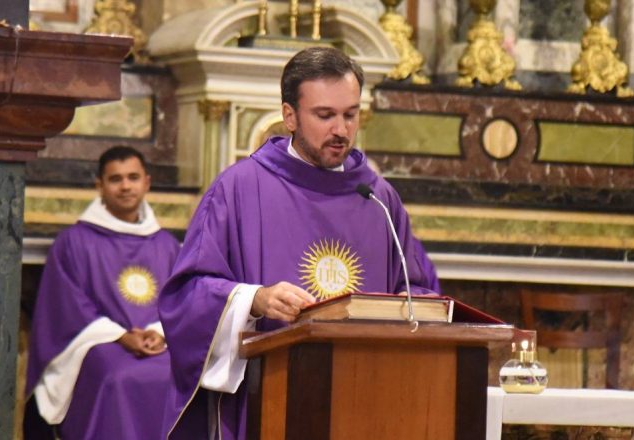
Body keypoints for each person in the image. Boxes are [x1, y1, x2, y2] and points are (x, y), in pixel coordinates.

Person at [159, 47, 440, 440]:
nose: (340, 130)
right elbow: (186, 296)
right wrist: (253, 300)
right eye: (325, 115)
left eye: (350, 114)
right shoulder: (240, 188)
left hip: (366, 396)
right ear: (289, 116)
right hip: (268, 398)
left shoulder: (377, 197)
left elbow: (419, 292)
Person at [25, 146, 180, 439]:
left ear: (146, 182)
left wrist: (159, 331)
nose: (125, 186)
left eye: (133, 178)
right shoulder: (73, 242)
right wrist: (121, 336)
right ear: (99, 185)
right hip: (96, 343)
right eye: (115, 179)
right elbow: (67, 306)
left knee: (181, 374)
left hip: (159, 342)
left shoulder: (167, 245)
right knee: (118, 377)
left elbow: (179, 301)